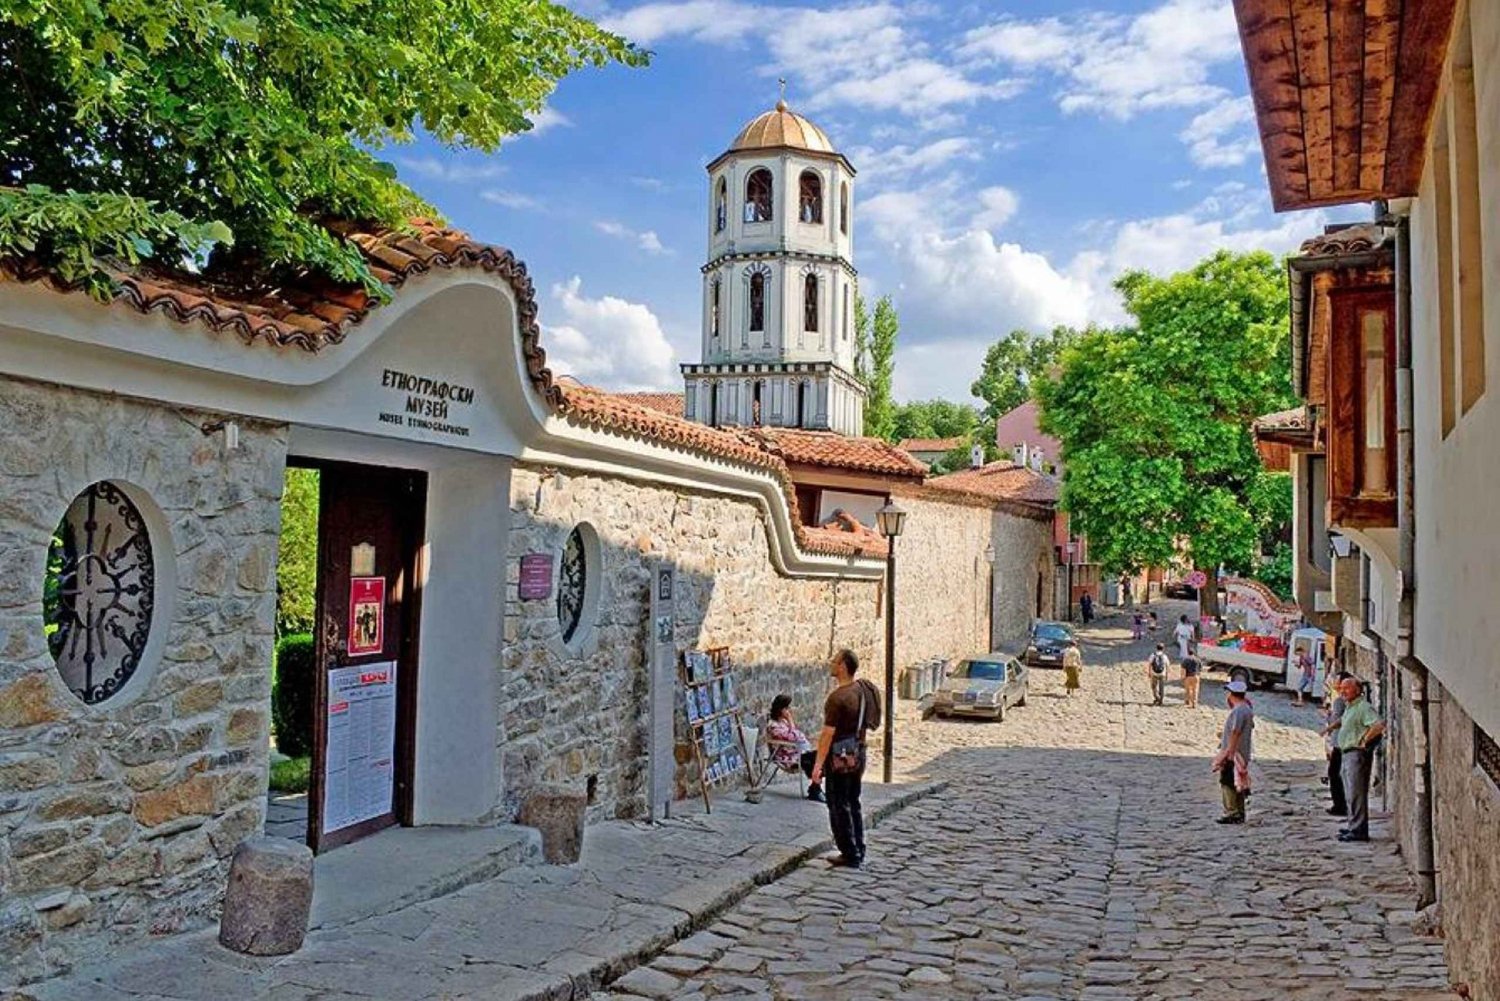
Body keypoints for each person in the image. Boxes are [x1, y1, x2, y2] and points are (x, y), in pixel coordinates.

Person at [810, 649, 882, 868]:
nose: (831, 664)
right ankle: (859, 847)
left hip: (840, 757)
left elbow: (827, 734)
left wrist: (817, 766)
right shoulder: (862, 690)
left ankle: (849, 852)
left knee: (838, 803)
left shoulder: (837, 698)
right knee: (853, 801)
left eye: (834, 661)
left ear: (842, 666)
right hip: (858, 752)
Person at [1334, 677, 1386, 842]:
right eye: (1341, 688)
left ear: (1357, 690)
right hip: (1347, 753)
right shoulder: (1351, 707)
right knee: (1349, 792)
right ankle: (1353, 826)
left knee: (1356, 792)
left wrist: (1364, 741)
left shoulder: (1363, 707)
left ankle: (1358, 830)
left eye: (1346, 688)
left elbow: (1378, 725)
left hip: (1356, 754)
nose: (1343, 691)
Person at [766, 694, 823, 802]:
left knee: (821, 757)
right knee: (816, 758)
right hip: (788, 759)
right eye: (786, 708)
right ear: (780, 709)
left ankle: (816, 788)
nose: (788, 711)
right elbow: (794, 737)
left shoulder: (783, 722)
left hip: (796, 754)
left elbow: (797, 736)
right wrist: (790, 720)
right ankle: (815, 789)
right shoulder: (774, 726)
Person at [1212, 679, 1255, 823]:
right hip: (1242, 752)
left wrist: (1229, 752)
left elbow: (1236, 731)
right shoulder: (1247, 709)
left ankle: (1231, 812)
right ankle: (1240, 811)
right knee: (1238, 782)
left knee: (1227, 782)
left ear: (1232, 694)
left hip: (1235, 753)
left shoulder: (1238, 710)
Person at [1321, 671, 1353, 817]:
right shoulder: (1344, 700)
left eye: (1337, 680)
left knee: (1335, 773)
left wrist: (1328, 724)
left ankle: (1339, 805)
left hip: (1340, 742)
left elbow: (1340, 720)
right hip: (1341, 742)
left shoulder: (1340, 701)